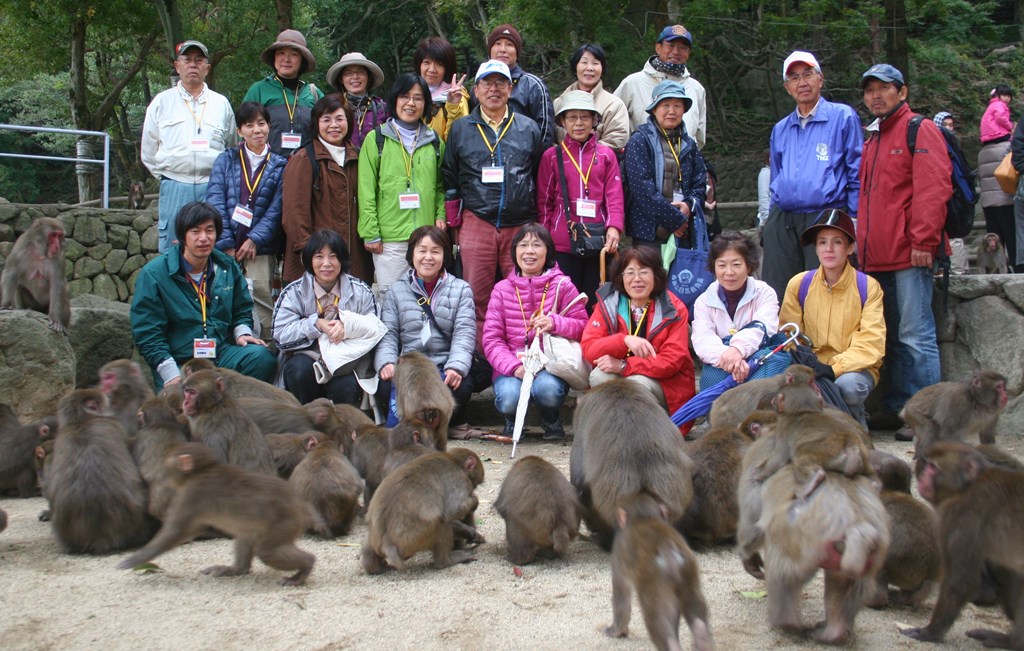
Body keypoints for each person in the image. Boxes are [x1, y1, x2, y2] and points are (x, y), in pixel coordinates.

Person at [857, 64, 950, 431]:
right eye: (869, 90)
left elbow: (934, 188)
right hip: (876, 257)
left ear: (902, 92)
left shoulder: (919, 128)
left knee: (916, 334)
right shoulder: (874, 137)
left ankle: (926, 416)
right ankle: (898, 407)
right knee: (891, 336)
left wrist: (925, 242)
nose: (876, 96)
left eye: (884, 88)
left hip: (911, 253)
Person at [442, 59, 543, 340]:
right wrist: (455, 224)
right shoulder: (461, 128)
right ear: (476, 90)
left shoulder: (528, 127)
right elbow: (450, 175)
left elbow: (539, 173)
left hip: (520, 225)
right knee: (475, 295)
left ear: (510, 88)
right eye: (487, 82)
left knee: (524, 294)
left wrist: (536, 222)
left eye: (501, 82)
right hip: (477, 221)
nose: (494, 89)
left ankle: (524, 352)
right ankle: (480, 358)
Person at [130, 202, 276, 390]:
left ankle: (231, 410)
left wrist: (242, 333)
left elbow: (242, 308)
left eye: (209, 231)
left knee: (261, 358)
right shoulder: (155, 274)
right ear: (183, 235)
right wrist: (169, 373)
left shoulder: (226, 266)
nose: (203, 238)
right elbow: (147, 332)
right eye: (195, 231)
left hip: (221, 354)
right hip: (181, 362)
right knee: (178, 405)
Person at [762, 51, 863, 300]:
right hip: (784, 216)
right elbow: (776, 174)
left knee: (824, 288)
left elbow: (857, 169)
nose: (802, 82)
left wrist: (855, 217)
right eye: (794, 78)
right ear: (787, 88)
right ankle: (784, 338)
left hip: (826, 213)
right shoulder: (781, 128)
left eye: (808, 75)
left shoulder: (842, 116)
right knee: (780, 290)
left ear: (821, 79)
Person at [779, 210, 885, 427]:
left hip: (852, 368)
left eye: (837, 242)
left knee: (848, 387)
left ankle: (855, 423)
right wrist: (806, 365)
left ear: (850, 248)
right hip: (810, 364)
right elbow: (788, 335)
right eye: (822, 242)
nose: (828, 249)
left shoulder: (867, 287)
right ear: (816, 248)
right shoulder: (800, 284)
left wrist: (834, 367)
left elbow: (871, 343)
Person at [482, 224, 588, 440]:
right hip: (512, 363)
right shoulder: (502, 289)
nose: (529, 251)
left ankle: (551, 418)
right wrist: (514, 367)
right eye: (523, 245)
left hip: (549, 363)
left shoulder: (563, 285)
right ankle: (512, 419)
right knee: (508, 398)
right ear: (515, 251)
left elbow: (583, 327)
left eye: (536, 245)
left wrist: (555, 323)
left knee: (549, 390)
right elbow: (491, 339)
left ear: (547, 251)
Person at [375, 226, 482, 439]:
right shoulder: (397, 290)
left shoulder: (460, 290)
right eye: (422, 250)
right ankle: (417, 428)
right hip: (410, 366)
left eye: (435, 251)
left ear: (445, 254)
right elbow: (388, 333)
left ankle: (437, 426)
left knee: (460, 387)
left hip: (443, 364)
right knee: (384, 387)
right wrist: (387, 363)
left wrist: (456, 367)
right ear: (411, 253)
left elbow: (464, 334)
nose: (428, 257)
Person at [580, 246, 696, 434]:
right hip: (629, 375)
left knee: (635, 382)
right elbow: (589, 349)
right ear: (621, 276)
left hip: (666, 388)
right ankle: (619, 431)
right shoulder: (609, 303)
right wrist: (623, 340)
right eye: (630, 273)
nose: (636, 279)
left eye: (643, 272)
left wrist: (624, 366)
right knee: (600, 376)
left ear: (657, 275)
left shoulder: (673, 308)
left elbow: (671, 361)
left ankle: (646, 432)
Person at [272, 230, 385, 407]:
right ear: (309, 259)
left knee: (346, 386)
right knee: (299, 370)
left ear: (342, 260)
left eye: (333, 256)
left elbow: (377, 327)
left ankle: (342, 431)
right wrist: (315, 325)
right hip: (307, 357)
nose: (326, 264)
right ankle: (307, 423)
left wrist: (347, 327)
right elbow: (279, 336)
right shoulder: (294, 292)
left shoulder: (361, 291)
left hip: (347, 361)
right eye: (319, 256)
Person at [141, 40, 234, 253]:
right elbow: (148, 150)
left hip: (212, 187)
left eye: (199, 60)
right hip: (174, 185)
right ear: (177, 66)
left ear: (207, 68)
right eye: (187, 60)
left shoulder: (221, 104)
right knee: (172, 250)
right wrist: (168, 175)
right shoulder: (161, 102)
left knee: (212, 248)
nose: (193, 65)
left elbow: (231, 147)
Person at [357, 74, 445, 296]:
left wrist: (440, 216)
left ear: (425, 103)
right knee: (391, 297)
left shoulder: (434, 141)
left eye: (418, 98)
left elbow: (442, 186)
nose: (411, 103)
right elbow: (366, 189)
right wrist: (371, 232)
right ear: (394, 99)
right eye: (405, 96)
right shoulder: (376, 139)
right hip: (390, 239)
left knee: (425, 297)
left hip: (426, 238)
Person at [207, 102, 287, 337]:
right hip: (226, 247)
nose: (257, 130)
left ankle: (268, 352)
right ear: (240, 131)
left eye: (261, 124)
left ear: (269, 127)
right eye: (249, 125)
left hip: (260, 250)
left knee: (263, 300)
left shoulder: (280, 164)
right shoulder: (226, 159)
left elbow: (277, 209)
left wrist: (254, 239)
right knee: (221, 297)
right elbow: (215, 199)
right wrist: (227, 243)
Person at [537, 91, 624, 303]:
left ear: (594, 120)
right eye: (572, 117)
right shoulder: (552, 155)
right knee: (565, 303)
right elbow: (544, 201)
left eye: (584, 117)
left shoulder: (606, 155)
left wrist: (614, 227)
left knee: (597, 302)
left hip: (599, 240)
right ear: (562, 122)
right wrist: (544, 239)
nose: (578, 123)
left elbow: (614, 196)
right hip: (562, 242)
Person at [281, 94, 369, 285]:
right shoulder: (305, 158)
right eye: (326, 120)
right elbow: (293, 214)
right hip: (316, 260)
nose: (334, 125)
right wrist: (311, 253)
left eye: (339, 119)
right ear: (316, 123)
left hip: (353, 259)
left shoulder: (358, 156)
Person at [621, 80, 706, 249]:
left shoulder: (689, 144)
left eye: (677, 106)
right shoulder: (639, 141)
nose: (671, 111)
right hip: (648, 231)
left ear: (684, 110)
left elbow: (700, 183)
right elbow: (642, 189)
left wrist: (689, 205)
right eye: (665, 105)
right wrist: (674, 219)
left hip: (684, 229)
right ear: (654, 109)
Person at [691, 231, 779, 388]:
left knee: (759, 388)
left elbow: (764, 326)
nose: (729, 272)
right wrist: (730, 358)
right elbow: (703, 338)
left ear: (749, 265)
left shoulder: (765, 293)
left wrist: (738, 349)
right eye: (722, 265)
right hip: (721, 360)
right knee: (711, 386)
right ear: (714, 266)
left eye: (736, 264)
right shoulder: (703, 301)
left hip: (758, 357)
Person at [614, 24, 707, 149]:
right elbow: (612, 123)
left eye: (682, 48)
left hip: (683, 163)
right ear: (658, 48)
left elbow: (699, 136)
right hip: (641, 162)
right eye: (671, 45)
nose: (676, 52)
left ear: (688, 53)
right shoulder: (632, 83)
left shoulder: (696, 89)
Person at [242, 29, 323, 156]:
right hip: (267, 169)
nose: (286, 59)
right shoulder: (259, 90)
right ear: (274, 57)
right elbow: (244, 131)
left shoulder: (313, 93)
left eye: (294, 54)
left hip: (305, 169)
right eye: (281, 53)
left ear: (302, 60)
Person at [483, 24, 556, 146]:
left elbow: (545, 132)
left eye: (509, 44)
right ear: (490, 50)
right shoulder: (480, 86)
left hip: (526, 159)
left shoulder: (533, 85)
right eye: (497, 44)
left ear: (517, 53)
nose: (503, 49)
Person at [552, 44, 629, 149]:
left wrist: (586, 156)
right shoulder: (559, 103)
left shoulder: (614, 105)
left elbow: (616, 139)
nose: (590, 68)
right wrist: (564, 157)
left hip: (599, 164)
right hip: (562, 164)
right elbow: (549, 138)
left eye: (595, 63)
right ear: (575, 67)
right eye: (584, 62)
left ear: (602, 69)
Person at [979, 90, 1022, 272]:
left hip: (988, 203)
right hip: (1006, 199)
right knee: (1012, 237)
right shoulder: (1007, 148)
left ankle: (1001, 271)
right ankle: (1014, 269)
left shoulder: (982, 153)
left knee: (997, 240)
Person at [326, 52, 388, 151]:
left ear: (368, 77)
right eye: (348, 73)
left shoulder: (382, 108)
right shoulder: (331, 107)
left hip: (375, 164)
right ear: (341, 79)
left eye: (360, 72)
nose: (355, 77)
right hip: (343, 164)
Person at [413, 36, 468, 141]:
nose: (432, 69)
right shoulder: (409, 94)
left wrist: (453, 106)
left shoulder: (456, 95)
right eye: (427, 62)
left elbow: (458, 139)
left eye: (439, 64)